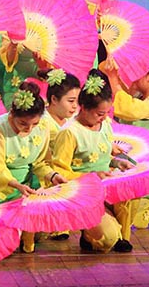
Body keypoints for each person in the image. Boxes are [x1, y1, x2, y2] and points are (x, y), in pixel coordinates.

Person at [52, 69, 136, 253]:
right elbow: (60, 171)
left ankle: (118, 233)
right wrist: (92, 176)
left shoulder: (104, 124)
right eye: (99, 113)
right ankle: (91, 234)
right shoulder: (70, 132)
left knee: (130, 193)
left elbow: (101, 155)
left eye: (106, 113)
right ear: (84, 107)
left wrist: (116, 162)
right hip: (84, 192)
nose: (104, 117)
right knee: (108, 239)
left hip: (106, 186)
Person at [0, 82, 66, 252]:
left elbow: (40, 162)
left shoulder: (42, 126)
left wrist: (53, 175)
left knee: (33, 230)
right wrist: (16, 185)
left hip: (27, 188)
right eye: (23, 123)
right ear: (12, 113)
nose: (29, 129)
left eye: (34, 124)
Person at [102, 54, 149, 228]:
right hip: (132, 164)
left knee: (123, 212)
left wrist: (113, 77)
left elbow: (125, 107)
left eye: (137, 71)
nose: (131, 75)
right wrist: (112, 58)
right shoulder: (140, 96)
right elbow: (118, 88)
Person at [36, 68, 81, 241]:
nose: (75, 106)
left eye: (77, 101)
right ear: (54, 99)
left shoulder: (73, 119)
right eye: (71, 101)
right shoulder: (41, 122)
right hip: (47, 172)